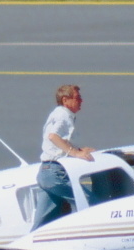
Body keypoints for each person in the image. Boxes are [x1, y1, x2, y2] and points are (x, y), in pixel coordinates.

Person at [31, 85, 93, 229]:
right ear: (65, 100)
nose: (81, 101)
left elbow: (58, 141)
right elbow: (53, 136)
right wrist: (76, 153)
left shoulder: (60, 114)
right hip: (55, 173)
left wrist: (80, 149)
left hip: (46, 173)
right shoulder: (63, 115)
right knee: (94, 203)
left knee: (41, 225)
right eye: (78, 98)